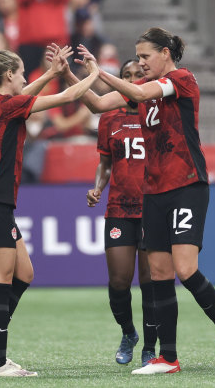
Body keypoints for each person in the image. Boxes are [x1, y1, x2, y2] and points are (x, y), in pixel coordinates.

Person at [73, 27, 215, 374]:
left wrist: (98, 71)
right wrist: (71, 74)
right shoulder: (144, 92)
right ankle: (168, 356)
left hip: (186, 186)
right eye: (137, 56)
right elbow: (100, 103)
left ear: (165, 53)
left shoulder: (181, 79)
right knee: (161, 273)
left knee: (184, 269)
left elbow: (134, 88)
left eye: (145, 56)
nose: (140, 62)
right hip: (154, 192)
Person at [0, 45, 99, 377]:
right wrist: (94, 74)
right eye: (22, 72)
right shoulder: (8, 105)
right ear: (8, 74)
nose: (25, 78)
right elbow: (68, 98)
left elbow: (21, 96)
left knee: (24, 274)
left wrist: (50, 73)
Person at [86, 59, 157, 367]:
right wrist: (98, 187)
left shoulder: (157, 116)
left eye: (137, 75)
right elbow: (105, 164)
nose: (131, 80)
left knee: (151, 282)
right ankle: (128, 333)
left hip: (153, 207)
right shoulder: (109, 119)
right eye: (125, 75)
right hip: (119, 207)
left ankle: (149, 349)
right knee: (118, 281)